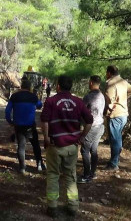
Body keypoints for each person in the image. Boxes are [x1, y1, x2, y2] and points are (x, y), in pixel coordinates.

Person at [40, 75, 93, 218]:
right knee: (70, 176)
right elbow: (89, 121)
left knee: (53, 175)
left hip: (54, 145)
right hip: (71, 146)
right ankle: (73, 207)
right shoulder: (78, 102)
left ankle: (52, 207)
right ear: (71, 87)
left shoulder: (51, 101)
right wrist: (81, 137)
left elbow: (44, 121)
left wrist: (46, 138)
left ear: (58, 86)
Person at [5, 79, 46, 174]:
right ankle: (39, 165)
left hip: (18, 125)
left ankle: (22, 168)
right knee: (35, 145)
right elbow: (40, 105)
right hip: (30, 125)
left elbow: (7, 111)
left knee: (21, 146)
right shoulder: (33, 97)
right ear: (30, 87)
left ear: (21, 87)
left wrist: (10, 121)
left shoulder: (14, 96)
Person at [104, 65, 131, 170]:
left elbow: (109, 99)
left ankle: (113, 163)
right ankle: (116, 159)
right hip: (124, 114)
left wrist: (111, 106)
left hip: (115, 114)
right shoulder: (123, 81)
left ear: (109, 73)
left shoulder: (110, 83)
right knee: (118, 138)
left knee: (114, 139)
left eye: (106, 72)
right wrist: (123, 98)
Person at [78, 75, 106, 183]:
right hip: (100, 126)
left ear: (90, 83)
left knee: (84, 150)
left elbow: (82, 111)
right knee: (93, 150)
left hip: (92, 127)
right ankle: (92, 173)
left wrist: (80, 128)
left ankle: (86, 176)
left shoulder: (88, 97)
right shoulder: (102, 95)